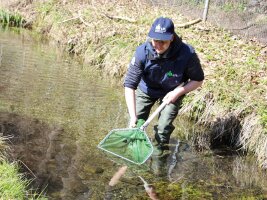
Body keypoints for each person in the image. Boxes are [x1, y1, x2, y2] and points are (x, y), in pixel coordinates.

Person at [123, 17, 204, 156]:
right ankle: (133, 154)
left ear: (171, 38)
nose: (158, 45)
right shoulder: (142, 52)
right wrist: (132, 115)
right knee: (135, 123)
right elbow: (129, 85)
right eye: (155, 41)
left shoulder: (187, 54)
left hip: (173, 90)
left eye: (163, 42)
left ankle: (158, 160)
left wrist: (178, 92)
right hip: (147, 89)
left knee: (163, 128)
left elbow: (198, 80)